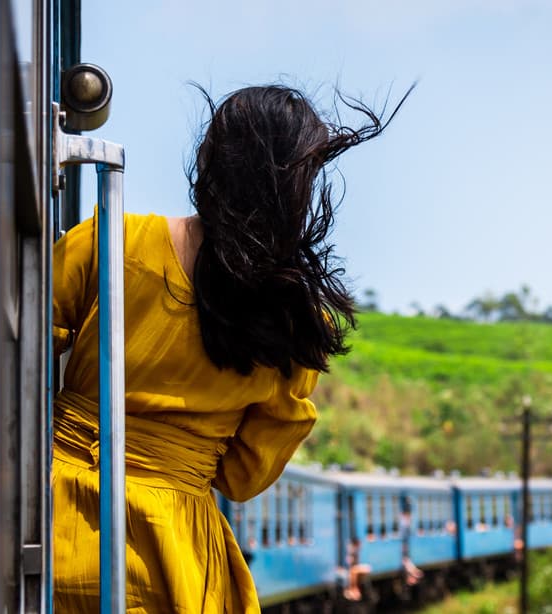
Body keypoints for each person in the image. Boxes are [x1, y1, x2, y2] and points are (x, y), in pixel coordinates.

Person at [50, 84, 405, 613]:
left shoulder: (113, 240)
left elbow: (15, 363)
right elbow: (242, 477)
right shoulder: (293, 324)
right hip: (173, 561)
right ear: (299, 191)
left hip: (54, 526)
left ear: (208, 159)